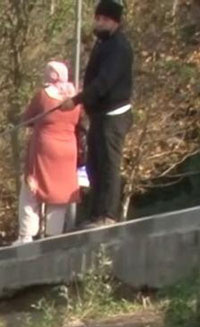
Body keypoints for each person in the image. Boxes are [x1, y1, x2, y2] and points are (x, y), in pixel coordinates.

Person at [63, 1, 133, 227]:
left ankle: (108, 215)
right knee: (93, 165)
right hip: (99, 115)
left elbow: (104, 82)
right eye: (97, 18)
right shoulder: (102, 44)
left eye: (103, 19)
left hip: (114, 114)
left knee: (108, 165)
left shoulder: (119, 47)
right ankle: (96, 213)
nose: (98, 23)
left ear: (115, 22)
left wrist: (75, 100)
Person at [15, 61, 82, 243]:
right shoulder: (75, 98)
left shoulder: (43, 96)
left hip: (45, 147)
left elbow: (28, 118)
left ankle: (27, 234)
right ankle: (54, 235)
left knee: (31, 189)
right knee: (58, 193)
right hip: (68, 148)